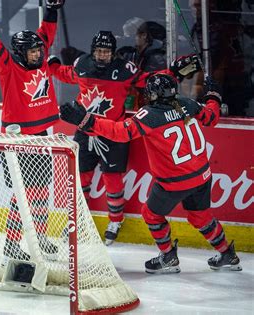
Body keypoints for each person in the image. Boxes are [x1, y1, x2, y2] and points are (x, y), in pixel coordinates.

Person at [60, 74, 242, 273]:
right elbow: (212, 117)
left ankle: (168, 257)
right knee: (201, 217)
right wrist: (213, 96)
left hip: (174, 181)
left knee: (151, 214)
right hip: (202, 175)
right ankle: (227, 254)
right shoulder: (187, 103)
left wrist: (86, 120)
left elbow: (120, 133)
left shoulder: (150, 114)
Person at [48, 30, 201, 245]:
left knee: (113, 179)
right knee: (80, 179)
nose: (102, 55)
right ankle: (76, 220)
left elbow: (150, 80)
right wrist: (50, 63)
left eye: (107, 52)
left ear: (113, 53)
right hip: (85, 131)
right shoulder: (82, 65)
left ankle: (115, 220)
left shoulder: (124, 70)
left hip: (114, 132)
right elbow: (64, 73)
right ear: (93, 51)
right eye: (99, 51)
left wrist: (173, 71)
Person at [0, 0, 65, 260]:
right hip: (17, 139)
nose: (38, 54)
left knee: (43, 191)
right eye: (33, 52)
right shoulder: (9, 69)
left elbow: (47, 31)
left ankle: (41, 237)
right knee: (24, 195)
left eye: (39, 50)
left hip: (42, 136)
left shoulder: (43, 59)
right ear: (21, 53)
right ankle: (11, 244)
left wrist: (53, 8)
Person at [117, 21, 167, 110]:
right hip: (129, 103)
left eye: (134, 35)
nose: (132, 39)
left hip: (148, 106)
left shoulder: (156, 59)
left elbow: (153, 84)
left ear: (143, 35)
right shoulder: (129, 54)